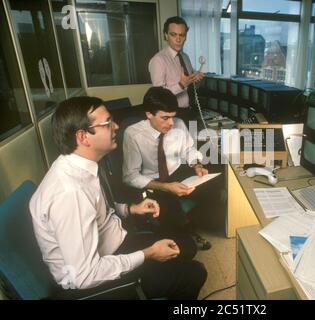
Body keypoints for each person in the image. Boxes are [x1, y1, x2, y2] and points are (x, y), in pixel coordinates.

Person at [29, 96, 206, 299]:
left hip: (115, 240)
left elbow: (96, 213)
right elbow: (85, 276)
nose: (116, 126)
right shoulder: (70, 193)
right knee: (194, 273)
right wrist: (148, 253)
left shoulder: (81, 165)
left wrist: (130, 209)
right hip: (94, 277)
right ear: (83, 137)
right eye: (107, 123)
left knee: (187, 246)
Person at [122, 87, 225, 248]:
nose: (171, 123)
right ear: (149, 114)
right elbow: (130, 176)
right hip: (153, 181)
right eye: (165, 118)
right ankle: (186, 230)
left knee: (216, 183)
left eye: (173, 117)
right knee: (170, 215)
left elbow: (188, 149)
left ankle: (196, 219)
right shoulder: (133, 134)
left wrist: (196, 165)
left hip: (176, 171)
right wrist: (165, 187)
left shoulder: (179, 124)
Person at [148, 16, 204, 123]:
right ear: (166, 36)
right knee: (179, 140)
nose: (178, 39)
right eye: (173, 34)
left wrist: (196, 80)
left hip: (191, 111)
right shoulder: (158, 60)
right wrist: (181, 85)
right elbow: (158, 97)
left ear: (185, 37)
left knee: (192, 139)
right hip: (174, 115)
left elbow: (191, 87)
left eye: (182, 35)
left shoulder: (185, 57)